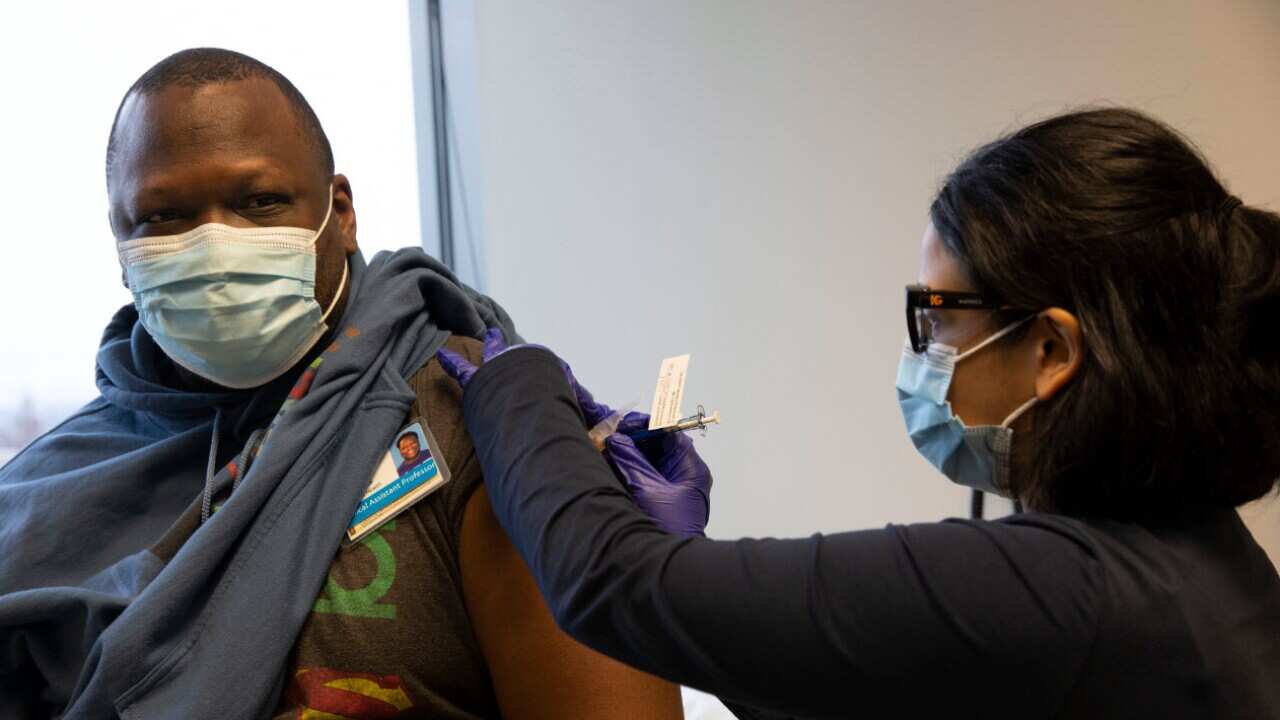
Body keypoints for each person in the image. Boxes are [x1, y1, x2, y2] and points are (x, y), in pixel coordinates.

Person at [440, 108, 1280, 718]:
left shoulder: (1068, 588)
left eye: (939, 317)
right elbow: (862, 678)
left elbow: (610, 582)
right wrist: (689, 569)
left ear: (1053, 353)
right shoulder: (1197, 562)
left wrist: (515, 381)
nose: (923, 355)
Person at [0, 48, 682, 719]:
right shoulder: (47, 491)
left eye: (260, 201)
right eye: (164, 217)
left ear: (342, 212)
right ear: (120, 245)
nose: (215, 247)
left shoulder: (479, 422)